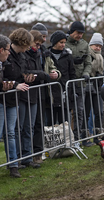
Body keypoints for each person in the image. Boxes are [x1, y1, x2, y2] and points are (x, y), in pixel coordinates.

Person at [15, 30, 52, 169]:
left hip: (34, 94)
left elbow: (34, 72)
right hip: (24, 94)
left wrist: (39, 75)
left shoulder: (38, 54)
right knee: (20, 128)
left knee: (29, 127)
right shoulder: (23, 54)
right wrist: (42, 74)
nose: (38, 47)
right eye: (37, 44)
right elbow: (24, 72)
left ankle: (28, 157)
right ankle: (18, 158)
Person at [0, 30, 31, 177]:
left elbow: (18, 75)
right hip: (2, 100)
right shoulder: (6, 59)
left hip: (12, 100)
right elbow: (4, 79)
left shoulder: (20, 57)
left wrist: (25, 79)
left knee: (10, 133)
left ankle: (13, 165)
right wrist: (14, 85)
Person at [31, 22, 61, 164]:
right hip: (30, 91)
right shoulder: (29, 51)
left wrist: (56, 73)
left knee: (39, 123)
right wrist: (44, 75)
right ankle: (27, 155)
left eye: (45, 36)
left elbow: (53, 67)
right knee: (28, 125)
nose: (44, 40)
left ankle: (38, 153)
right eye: (42, 36)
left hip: (44, 91)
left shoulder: (44, 51)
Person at [65, 21, 92, 141]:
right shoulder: (63, 43)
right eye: (78, 33)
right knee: (66, 112)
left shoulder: (84, 45)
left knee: (79, 112)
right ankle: (66, 138)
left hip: (80, 83)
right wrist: (71, 60)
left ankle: (77, 139)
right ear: (72, 31)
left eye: (82, 33)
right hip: (67, 83)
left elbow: (88, 62)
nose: (80, 35)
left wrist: (86, 73)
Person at [46, 30, 76, 125]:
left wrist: (73, 91)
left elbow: (72, 73)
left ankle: (65, 140)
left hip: (64, 92)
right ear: (55, 42)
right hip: (51, 94)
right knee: (51, 121)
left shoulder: (68, 56)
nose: (63, 45)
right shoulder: (47, 55)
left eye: (64, 42)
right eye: (61, 42)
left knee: (64, 122)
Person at [82, 33, 104, 147]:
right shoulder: (88, 54)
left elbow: (101, 70)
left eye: (100, 46)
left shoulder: (100, 56)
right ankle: (84, 138)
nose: (98, 48)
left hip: (97, 85)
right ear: (91, 45)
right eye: (96, 45)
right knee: (86, 112)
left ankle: (97, 137)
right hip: (87, 85)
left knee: (99, 112)